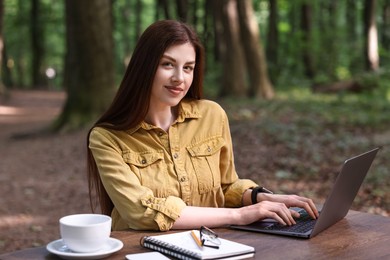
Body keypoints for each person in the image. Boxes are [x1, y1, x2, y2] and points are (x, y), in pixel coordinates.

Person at [87, 20, 319, 231]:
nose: (180, 78)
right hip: (141, 250)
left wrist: (262, 197)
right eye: (168, 64)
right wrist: (240, 215)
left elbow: (226, 187)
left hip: (213, 246)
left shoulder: (212, 115)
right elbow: (141, 212)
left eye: (188, 67)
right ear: (144, 67)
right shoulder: (106, 137)